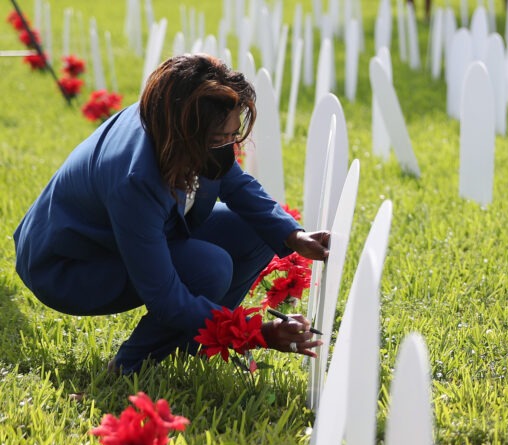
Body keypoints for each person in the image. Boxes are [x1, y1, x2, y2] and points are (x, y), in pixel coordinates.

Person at [11, 53, 329, 374]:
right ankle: (128, 367)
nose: (229, 144)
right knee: (209, 267)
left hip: (118, 235)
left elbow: (233, 181)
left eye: (233, 135)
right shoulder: (135, 178)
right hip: (69, 265)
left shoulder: (169, 118)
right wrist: (256, 332)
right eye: (220, 138)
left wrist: (294, 235)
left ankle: (194, 342)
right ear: (187, 132)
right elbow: (165, 297)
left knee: (257, 233)